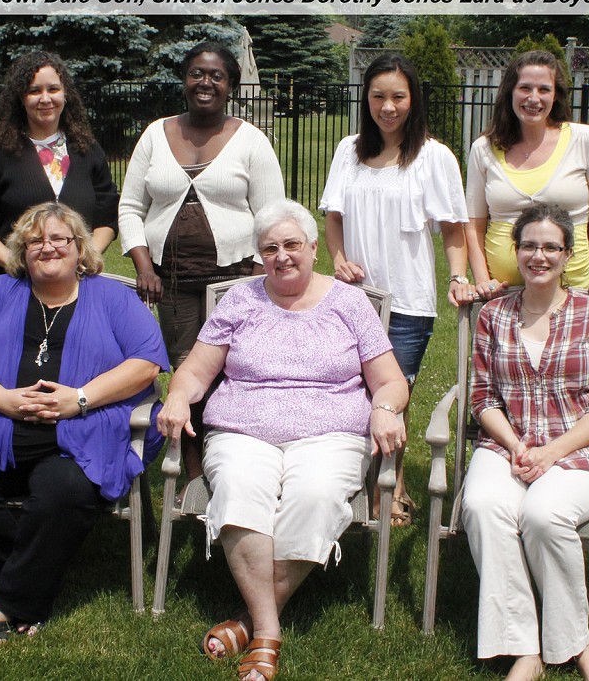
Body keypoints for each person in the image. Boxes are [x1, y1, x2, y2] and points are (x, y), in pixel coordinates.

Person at [157, 200, 409, 681]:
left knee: (315, 495)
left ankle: (251, 621)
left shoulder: (349, 303)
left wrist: (383, 409)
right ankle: (269, 633)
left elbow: (391, 382)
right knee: (237, 486)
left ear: (314, 248)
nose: (282, 256)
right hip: (242, 430)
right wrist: (176, 398)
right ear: (259, 255)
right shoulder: (240, 301)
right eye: (269, 248)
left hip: (330, 434)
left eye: (292, 244)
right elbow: (195, 369)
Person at [0, 202, 168, 649]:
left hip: (76, 438)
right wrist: (3, 400)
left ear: (80, 249)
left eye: (60, 239)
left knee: (63, 489)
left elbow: (147, 363)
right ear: (21, 250)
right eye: (36, 240)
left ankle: (9, 599)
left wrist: (79, 398)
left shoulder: (111, 297)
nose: (48, 247)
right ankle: (38, 575)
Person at [461, 203, 589, 681]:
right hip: (509, 444)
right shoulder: (493, 316)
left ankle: (578, 647)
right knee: (483, 504)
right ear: (516, 252)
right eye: (530, 245)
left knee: (543, 512)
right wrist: (516, 446)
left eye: (551, 246)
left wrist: (551, 453)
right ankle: (523, 649)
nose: (539, 255)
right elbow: (482, 397)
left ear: (568, 255)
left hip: (585, 452)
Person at [120, 40, 284, 477]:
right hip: (169, 279)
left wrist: (253, 279)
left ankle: (232, 460)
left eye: (216, 75)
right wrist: (143, 266)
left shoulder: (251, 141)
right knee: (183, 368)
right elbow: (130, 208)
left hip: (231, 281)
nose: (205, 82)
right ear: (184, 79)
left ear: (230, 85)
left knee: (230, 371)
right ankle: (191, 467)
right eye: (196, 73)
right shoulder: (156, 134)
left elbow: (270, 216)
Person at [320, 52, 471, 527]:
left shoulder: (434, 156)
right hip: (355, 299)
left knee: (395, 393)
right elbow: (333, 217)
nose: (388, 106)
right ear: (366, 99)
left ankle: (393, 483)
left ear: (413, 100)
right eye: (379, 96)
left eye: (398, 97)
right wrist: (339, 260)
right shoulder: (349, 150)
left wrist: (457, 276)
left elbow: (452, 228)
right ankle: (349, 477)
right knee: (352, 390)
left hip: (407, 300)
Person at [465, 49, 589, 306]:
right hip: (500, 297)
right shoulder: (483, 149)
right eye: (525, 88)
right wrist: (482, 279)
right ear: (510, 92)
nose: (533, 98)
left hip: (572, 291)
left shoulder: (584, 139)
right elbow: (473, 225)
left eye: (544, 89)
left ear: (556, 95)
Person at [0, 50, 119, 279]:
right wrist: (15, 263)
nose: (45, 99)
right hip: (14, 283)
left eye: (53, 89)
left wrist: (87, 256)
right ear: (21, 98)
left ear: (65, 94)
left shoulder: (88, 150)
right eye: (34, 91)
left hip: (77, 283)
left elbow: (107, 216)